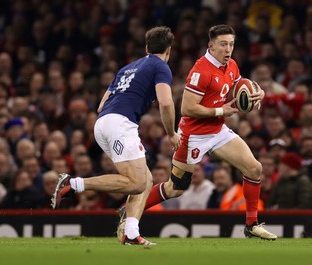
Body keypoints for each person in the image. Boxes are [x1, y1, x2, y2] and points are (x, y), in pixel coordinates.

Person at [118, 24, 276, 240]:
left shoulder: (231, 65)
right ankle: (129, 212)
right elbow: (187, 108)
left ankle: (251, 225)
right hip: (193, 135)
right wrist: (222, 109)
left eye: (231, 44)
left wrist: (257, 92)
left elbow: (239, 85)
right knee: (175, 188)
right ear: (211, 45)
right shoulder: (200, 71)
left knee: (254, 168)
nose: (228, 49)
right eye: (223, 44)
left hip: (218, 130)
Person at [50, 26, 181, 245]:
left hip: (104, 123)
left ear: (147, 47)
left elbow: (101, 105)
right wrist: (171, 134)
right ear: (169, 50)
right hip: (121, 123)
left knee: (146, 180)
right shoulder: (161, 66)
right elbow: (166, 103)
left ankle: (131, 232)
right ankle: (73, 184)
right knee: (137, 183)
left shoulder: (127, 68)